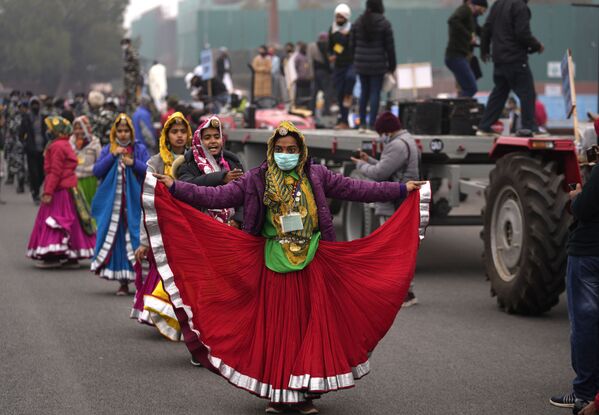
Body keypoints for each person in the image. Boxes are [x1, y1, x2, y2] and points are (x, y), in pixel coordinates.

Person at [150, 120, 427, 413]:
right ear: (272, 150)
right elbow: (217, 196)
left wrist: (401, 188)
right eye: (280, 149)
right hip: (274, 264)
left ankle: (304, 392)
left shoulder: (316, 175)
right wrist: (175, 187)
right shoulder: (257, 179)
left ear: (301, 150)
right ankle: (281, 396)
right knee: (282, 332)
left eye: (292, 149)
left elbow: (357, 189)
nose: (286, 154)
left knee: (309, 330)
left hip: (312, 263)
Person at [551, 120, 599, 412]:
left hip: (588, 252)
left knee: (584, 324)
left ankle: (583, 392)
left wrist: (576, 196)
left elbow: (584, 209)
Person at [132, 112, 192, 340]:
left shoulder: (195, 162)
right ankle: (164, 314)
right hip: (163, 227)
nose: (178, 136)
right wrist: (144, 241)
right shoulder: (155, 163)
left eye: (182, 131)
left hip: (187, 226)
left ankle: (184, 319)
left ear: (188, 135)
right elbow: (147, 202)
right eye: (173, 132)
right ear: (166, 136)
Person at [351, 111, 420, 306]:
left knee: (392, 249)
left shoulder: (396, 145)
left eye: (381, 132)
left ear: (386, 131)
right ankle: (404, 291)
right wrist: (369, 159)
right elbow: (389, 166)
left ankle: (403, 293)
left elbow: (380, 173)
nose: (381, 136)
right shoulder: (407, 140)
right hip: (403, 199)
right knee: (400, 248)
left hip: (394, 201)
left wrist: (361, 166)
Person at [26, 116, 96, 269]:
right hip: (69, 189)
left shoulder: (56, 146)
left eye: (50, 129)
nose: (48, 131)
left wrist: (48, 191)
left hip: (60, 191)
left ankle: (53, 256)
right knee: (72, 222)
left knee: (57, 221)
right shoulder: (64, 144)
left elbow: (55, 172)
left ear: (56, 132)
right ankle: (71, 257)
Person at [91, 114, 149, 296]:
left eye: (126, 131)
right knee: (119, 244)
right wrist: (112, 156)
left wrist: (133, 163)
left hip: (135, 204)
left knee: (138, 239)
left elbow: (149, 171)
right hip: (114, 207)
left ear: (131, 132)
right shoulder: (108, 148)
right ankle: (123, 281)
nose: (123, 134)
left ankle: (143, 281)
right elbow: (97, 171)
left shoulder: (138, 148)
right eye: (120, 131)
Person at [477, 0, 544, 136]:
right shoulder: (520, 6)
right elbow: (522, 33)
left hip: (499, 59)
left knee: (499, 93)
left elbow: (487, 28)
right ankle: (529, 127)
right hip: (515, 58)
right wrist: (537, 45)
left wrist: (484, 50)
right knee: (527, 93)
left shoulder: (497, 4)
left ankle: (484, 126)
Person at [177, 115, 245, 227]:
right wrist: (221, 178)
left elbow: (245, 195)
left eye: (217, 137)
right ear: (199, 141)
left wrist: (238, 219)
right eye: (207, 138)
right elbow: (186, 188)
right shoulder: (188, 165)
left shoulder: (233, 163)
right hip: (202, 228)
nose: (213, 141)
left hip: (232, 230)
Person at [352, 0, 396, 132]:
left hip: (361, 64)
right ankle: (372, 124)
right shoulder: (384, 24)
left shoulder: (358, 22)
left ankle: (362, 124)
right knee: (375, 93)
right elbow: (390, 48)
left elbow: (351, 44)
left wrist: (356, 59)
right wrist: (392, 66)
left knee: (364, 93)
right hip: (378, 65)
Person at [445, 0, 488, 97]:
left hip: (461, 56)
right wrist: (469, 36)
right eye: (483, 9)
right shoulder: (466, 10)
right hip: (457, 56)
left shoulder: (472, 18)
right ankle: (459, 109)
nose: (483, 12)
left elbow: (479, 31)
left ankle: (459, 107)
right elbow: (452, 20)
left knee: (465, 88)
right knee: (471, 88)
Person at [329, 3, 356, 129]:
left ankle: (348, 94)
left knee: (351, 78)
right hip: (339, 65)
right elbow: (330, 47)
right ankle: (344, 121)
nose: (339, 20)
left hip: (351, 62)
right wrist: (331, 55)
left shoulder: (352, 29)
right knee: (339, 93)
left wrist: (346, 36)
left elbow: (352, 45)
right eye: (337, 17)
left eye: (341, 17)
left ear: (346, 17)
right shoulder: (333, 30)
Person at [70, 116, 102, 206]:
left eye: (81, 128)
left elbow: (99, 162)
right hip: (73, 182)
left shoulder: (95, 143)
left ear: (87, 127)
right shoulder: (70, 143)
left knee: (89, 208)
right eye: (75, 128)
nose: (78, 131)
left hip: (90, 181)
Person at [19, 97, 47, 204]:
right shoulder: (26, 119)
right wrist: (25, 144)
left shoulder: (44, 118)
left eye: (37, 104)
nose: (35, 106)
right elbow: (20, 134)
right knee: (33, 173)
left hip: (43, 150)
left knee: (42, 173)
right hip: (31, 150)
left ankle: (36, 187)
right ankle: (35, 193)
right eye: (33, 104)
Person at [307, 33, 333, 116]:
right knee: (327, 92)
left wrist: (311, 73)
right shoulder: (329, 46)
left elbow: (309, 60)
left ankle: (312, 111)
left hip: (316, 72)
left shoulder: (312, 46)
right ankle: (326, 111)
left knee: (314, 93)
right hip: (326, 72)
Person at [122, 38, 142, 114]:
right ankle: (130, 112)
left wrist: (136, 76)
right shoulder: (126, 53)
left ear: (129, 43)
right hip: (128, 77)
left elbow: (136, 64)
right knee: (128, 96)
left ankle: (134, 113)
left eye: (125, 44)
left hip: (132, 77)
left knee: (132, 97)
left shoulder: (132, 52)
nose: (124, 46)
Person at [293, 42, 313, 109]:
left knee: (308, 93)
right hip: (300, 78)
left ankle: (307, 106)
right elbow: (294, 67)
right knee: (299, 93)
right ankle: (298, 105)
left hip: (308, 78)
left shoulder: (308, 56)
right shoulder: (298, 56)